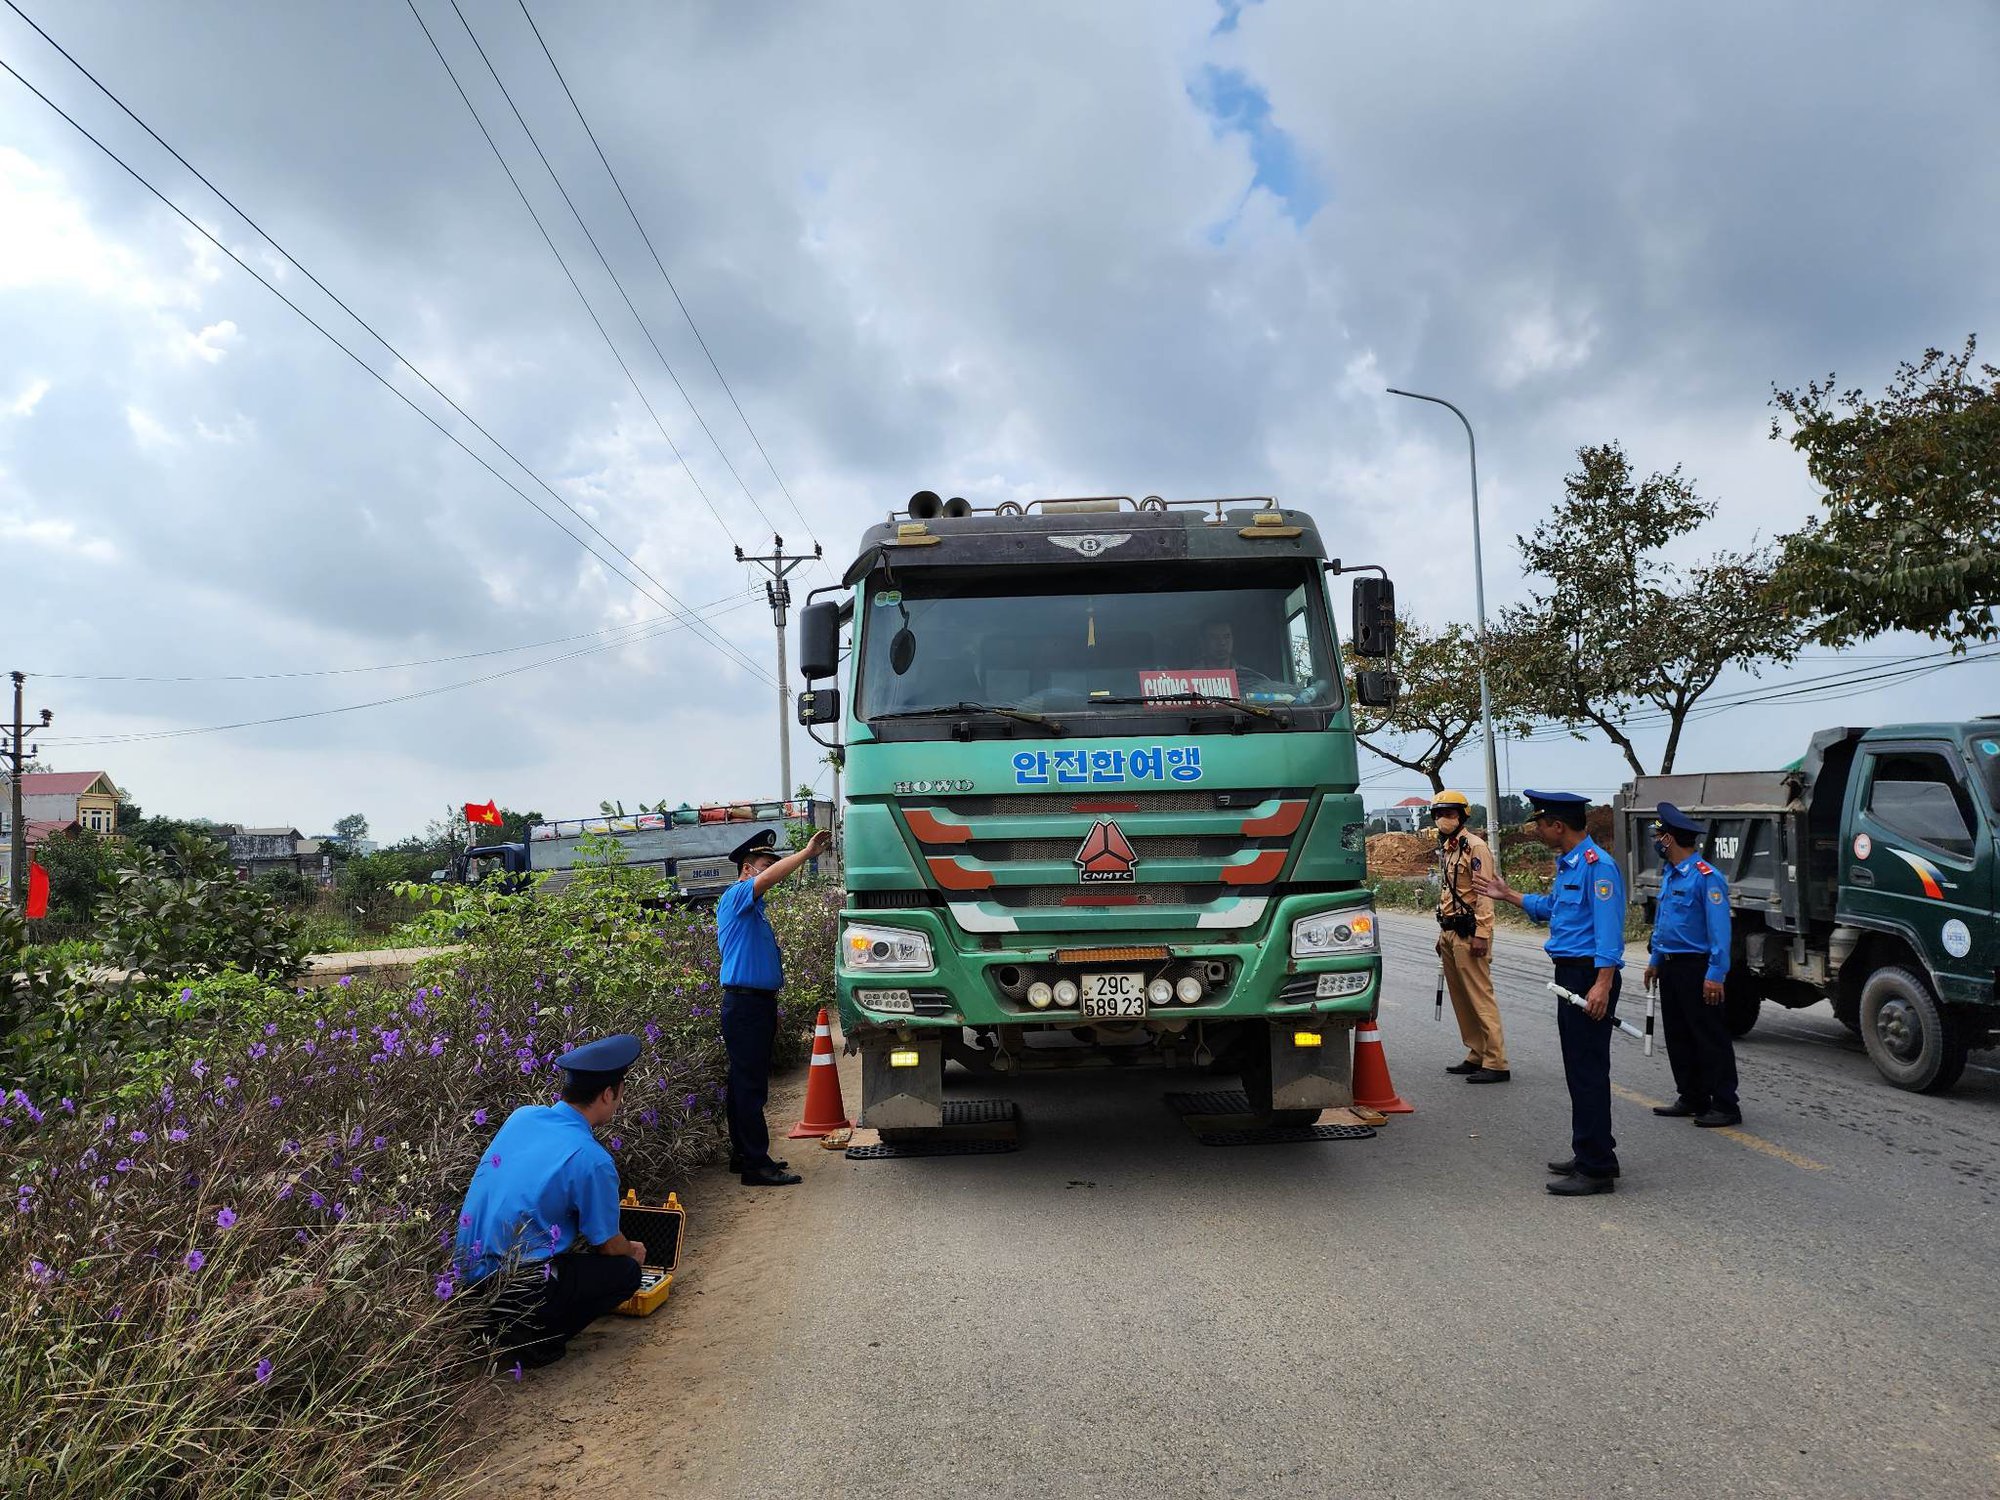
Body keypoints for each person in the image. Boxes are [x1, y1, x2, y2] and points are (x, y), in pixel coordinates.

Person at [454, 1034, 646, 1368]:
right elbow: (607, 1245)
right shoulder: (591, 1158)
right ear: (607, 1094)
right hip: (520, 1291)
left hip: (465, 1281)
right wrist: (634, 1252)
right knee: (625, 1271)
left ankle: (493, 1328)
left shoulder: (522, 1117)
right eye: (619, 1095)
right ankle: (536, 1340)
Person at [1476, 790, 1627, 1197]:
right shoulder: (1570, 865)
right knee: (1580, 1071)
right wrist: (1508, 895)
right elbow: (1551, 908)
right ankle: (1593, 1152)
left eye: (1541, 824)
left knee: (1588, 1071)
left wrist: (1602, 983)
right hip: (1570, 976)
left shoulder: (1599, 867)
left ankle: (1596, 1168)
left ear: (1558, 825)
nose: (1538, 831)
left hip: (1587, 979)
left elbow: (1611, 933)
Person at [717, 825, 833, 1187]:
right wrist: (806, 855)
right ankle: (756, 1164)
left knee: (743, 1085)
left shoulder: (754, 910)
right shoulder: (737, 895)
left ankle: (744, 1155)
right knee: (750, 1087)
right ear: (748, 867)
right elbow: (767, 880)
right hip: (745, 1005)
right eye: (764, 865)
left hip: (753, 1005)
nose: (769, 871)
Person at [1644, 801, 1741, 1127]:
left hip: (1697, 967)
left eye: (1659, 835)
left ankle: (1725, 1103)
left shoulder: (1706, 878)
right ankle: (1692, 1095)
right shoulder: (1671, 875)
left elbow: (1720, 932)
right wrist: (1655, 960)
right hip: (1670, 966)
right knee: (1678, 1034)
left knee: (1708, 1036)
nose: (1656, 840)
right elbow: (1664, 923)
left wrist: (1715, 974)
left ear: (1669, 839)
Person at [1430, 790, 1508, 1083]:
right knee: (1461, 999)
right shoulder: (1450, 848)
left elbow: (1484, 894)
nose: (1443, 819)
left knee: (1479, 996)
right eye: (1438, 814)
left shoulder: (1475, 848)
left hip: (1470, 932)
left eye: (1449, 814)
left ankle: (1496, 1061)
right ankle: (1477, 1053)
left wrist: (1482, 933)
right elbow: (1449, 893)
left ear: (1462, 816)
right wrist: (1442, 933)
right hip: (1450, 931)